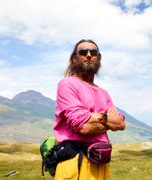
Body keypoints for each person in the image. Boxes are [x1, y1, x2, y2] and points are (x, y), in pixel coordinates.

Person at [53, 39, 126, 179]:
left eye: (93, 52)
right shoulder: (67, 84)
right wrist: (106, 119)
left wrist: (96, 117)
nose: (88, 55)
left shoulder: (103, 92)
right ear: (75, 58)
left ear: (98, 58)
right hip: (76, 163)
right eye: (83, 52)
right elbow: (83, 127)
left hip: (101, 162)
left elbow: (121, 124)